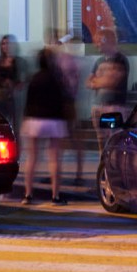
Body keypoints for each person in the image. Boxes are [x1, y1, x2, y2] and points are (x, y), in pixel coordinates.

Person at [21, 48, 70, 205]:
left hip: (34, 120)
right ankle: (55, 196)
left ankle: (28, 194)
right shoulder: (57, 79)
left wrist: (25, 118)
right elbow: (62, 101)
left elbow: (28, 101)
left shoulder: (34, 78)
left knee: (32, 158)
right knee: (54, 159)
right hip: (54, 121)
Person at [88, 28, 130, 152]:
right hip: (98, 106)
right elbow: (89, 82)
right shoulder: (98, 61)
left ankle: (114, 163)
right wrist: (105, 80)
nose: (96, 45)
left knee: (114, 140)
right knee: (101, 141)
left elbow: (112, 82)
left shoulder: (121, 60)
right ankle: (103, 162)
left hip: (114, 107)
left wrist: (99, 81)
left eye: (99, 41)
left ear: (107, 40)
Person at [51, 31, 85, 184]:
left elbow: (72, 83)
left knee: (73, 137)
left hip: (68, 101)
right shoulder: (61, 60)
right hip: (60, 101)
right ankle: (56, 172)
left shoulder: (70, 61)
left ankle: (78, 173)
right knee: (58, 139)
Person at [0, 34, 24, 127]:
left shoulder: (19, 61)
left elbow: (23, 79)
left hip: (14, 98)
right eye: (3, 44)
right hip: (0, 96)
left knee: (15, 124)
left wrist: (14, 85)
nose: (6, 46)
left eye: (8, 43)